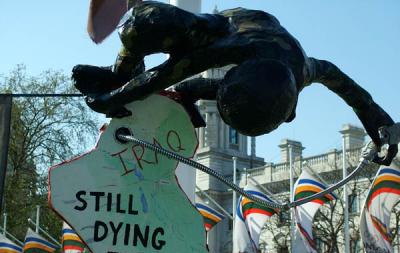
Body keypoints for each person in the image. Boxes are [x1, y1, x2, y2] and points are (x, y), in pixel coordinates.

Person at [73, 1, 398, 165]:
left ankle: (187, 95)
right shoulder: (222, 47)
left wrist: (379, 121)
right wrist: (117, 93)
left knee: (193, 86)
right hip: (228, 27)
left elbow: (351, 90)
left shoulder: (304, 71)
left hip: (267, 80)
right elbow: (161, 75)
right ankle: (122, 67)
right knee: (141, 25)